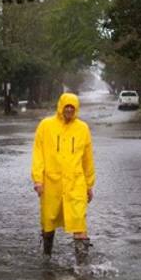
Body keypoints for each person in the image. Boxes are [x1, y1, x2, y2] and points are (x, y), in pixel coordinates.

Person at [31, 92, 96, 263]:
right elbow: (38, 154)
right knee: (48, 221)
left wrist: (89, 185)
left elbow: (87, 159)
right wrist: (38, 179)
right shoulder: (46, 126)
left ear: (76, 109)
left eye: (72, 107)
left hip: (76, 184)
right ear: (60, 107)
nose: (69, 109)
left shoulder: (83, 128)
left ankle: (82, 265)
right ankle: (46, 255)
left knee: (79, 221)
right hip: (51, 184)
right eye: (66, 106)